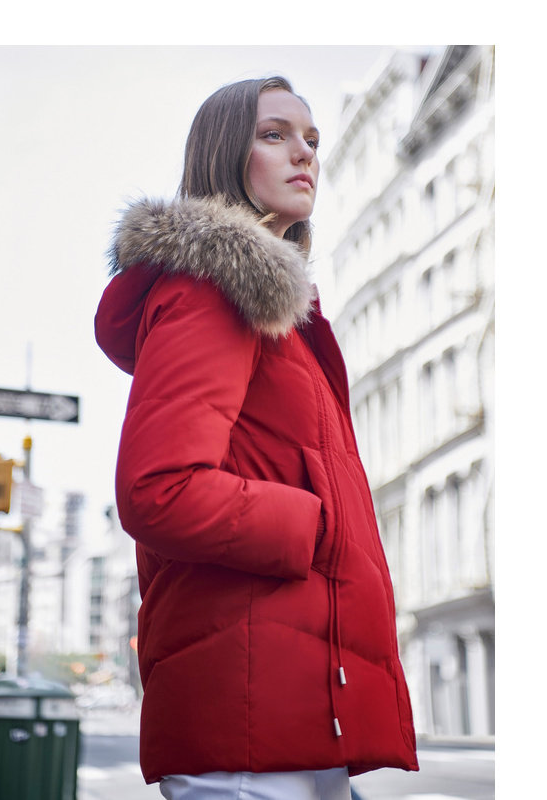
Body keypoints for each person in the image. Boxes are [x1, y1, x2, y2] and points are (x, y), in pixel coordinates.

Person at [95, 76, 418, 800]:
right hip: (244, 728)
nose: (304, 154)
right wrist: (318, 526)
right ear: (223, 155)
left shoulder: (279, 318)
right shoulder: (210, 291)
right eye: (274, 135)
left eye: (311, 139)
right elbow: (157, 490)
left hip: (291, 713)